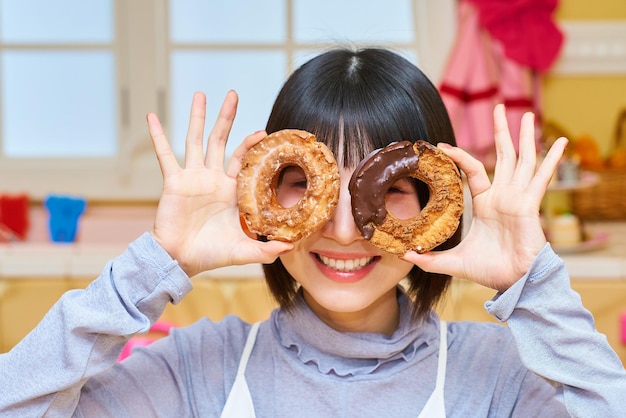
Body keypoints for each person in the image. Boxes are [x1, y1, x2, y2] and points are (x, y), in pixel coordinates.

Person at [0, 48, 624, 417]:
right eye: (307, 183)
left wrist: (531, 285)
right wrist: (154, 266)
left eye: (387, 190)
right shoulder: (197, 371)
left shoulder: (498, 378)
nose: (346, 228)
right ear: (266, 192)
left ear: (438, 203)